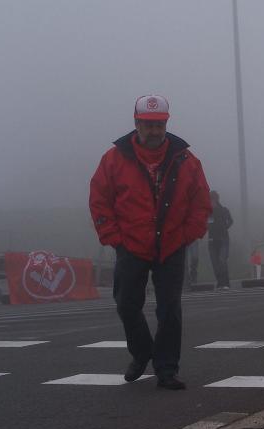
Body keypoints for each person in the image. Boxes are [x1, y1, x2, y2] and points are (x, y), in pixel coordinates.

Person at [89, 95, 211, 390]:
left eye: (160, 124)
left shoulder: (186, 160)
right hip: (131, 245)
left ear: (167, 123)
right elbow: (99, 200)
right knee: (126, 304)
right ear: (136, 123)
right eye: (148, 124)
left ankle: (167, 369)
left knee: (170, 309)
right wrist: (114, 238)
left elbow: (201, 203)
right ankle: (143, 351)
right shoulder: (114, 159)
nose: (154, 131)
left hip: (171, 244)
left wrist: (186, 236)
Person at [208, 190, 233, 289]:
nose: (211, 202)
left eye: (212, 200)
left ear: (216, 200)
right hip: (211, 240)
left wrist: (225, 227)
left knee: (222, 260)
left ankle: (226, 283)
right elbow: (205, 223)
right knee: (215, 263)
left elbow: (231, 221)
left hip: (223, 239)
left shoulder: (224, 210)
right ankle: (220, 282)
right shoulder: (208, 212)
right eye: (210, 200)